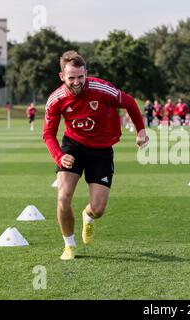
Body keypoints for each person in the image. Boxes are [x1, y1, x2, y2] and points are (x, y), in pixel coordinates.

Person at [43, 50, 148, 260]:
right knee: (63, 196)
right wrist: (59, 156)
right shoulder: (56, 100)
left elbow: (129, 102)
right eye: (71, 77)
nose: (76, 82)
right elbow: (48, 133)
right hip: (73, 146)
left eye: (80, 77)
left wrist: (141, 131)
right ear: (62, 76)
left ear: (86, 74)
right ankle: (69, 245)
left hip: (101, 149)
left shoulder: (101, 89)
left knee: (98, 209)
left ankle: (87, 216)